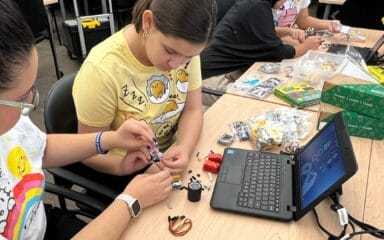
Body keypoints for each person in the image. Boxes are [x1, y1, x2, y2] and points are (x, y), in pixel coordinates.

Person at [0, 0, 172, 239]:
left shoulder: (9, 121)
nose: (28, 105)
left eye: (32, 90)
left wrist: (110, 139)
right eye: (21, 98)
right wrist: (130, 201)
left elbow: (39, 147)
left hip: (39, 223)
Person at [72, 0, 217, 188]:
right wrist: (125, 167)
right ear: (148, 21)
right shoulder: (102, 70)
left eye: (189, 57)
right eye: (170, 51)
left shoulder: (183, 50)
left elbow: (193, 109)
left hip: (167, 158)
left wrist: (184, 148)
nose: (177, 64)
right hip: (126, 172)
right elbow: (88, 151)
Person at [201, 0, 321, 107]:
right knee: (260, 103)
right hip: (212, 80)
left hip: (228, 70)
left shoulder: (257, 4)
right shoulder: (258, 6)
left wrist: (288, 31)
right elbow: (278, 52)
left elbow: (263, 31)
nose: (284, 4)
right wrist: (306, 47)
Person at [273, 0, 341, 43]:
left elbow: (303, 21)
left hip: (284, 41)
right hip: (267, 42)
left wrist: (327, 24)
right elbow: (263, 29)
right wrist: (289, 32)